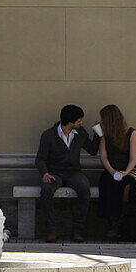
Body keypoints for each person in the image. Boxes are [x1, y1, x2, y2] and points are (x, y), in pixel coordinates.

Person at [35, 103, 99, 243]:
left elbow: (93, 151)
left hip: (74, 172)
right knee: (46, 190)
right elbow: (40, 159)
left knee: (84, 188)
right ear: (70, 123)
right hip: (54, 172)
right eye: (79, 120)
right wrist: (45, 173)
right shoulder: (48, 135)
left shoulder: (80, 133)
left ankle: (78, 230)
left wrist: (98, 135)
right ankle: (51, 230)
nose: (81, 123)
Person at [96, 104, 136, 238]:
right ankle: (112, 223)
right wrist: (112, 171)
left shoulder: (131, 133)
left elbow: (133, 158)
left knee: (126, 186)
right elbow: (103, 156)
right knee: (108, 183)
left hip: (128, 170)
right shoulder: (104, 135)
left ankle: (125, 221)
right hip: (110, 170)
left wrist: (125, 172)